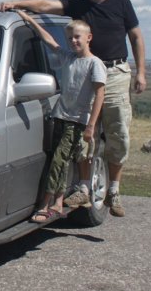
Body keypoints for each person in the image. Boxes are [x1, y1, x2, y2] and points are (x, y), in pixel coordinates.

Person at [0, 0, 146, 217]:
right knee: (86, 134)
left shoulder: (122, 3)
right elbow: (45, 5)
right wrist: (15, 3)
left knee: (117, 132)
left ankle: (114, 190)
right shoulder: (78, 5)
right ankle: (84, 187)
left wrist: (141, 72)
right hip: (85, 73)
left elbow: (136, 37)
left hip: (115, 72)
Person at [18, 12, 106, 223]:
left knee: (58, 160)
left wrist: (90, 126)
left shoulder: (95, 64)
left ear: (88, 38)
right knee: (62, 161)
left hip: (77, 121)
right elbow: (49, 40)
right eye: (70, 38)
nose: (73, 41)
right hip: (59, 116)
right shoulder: (68, 58)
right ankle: (58, 202)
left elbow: (100, 95)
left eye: (77, 37)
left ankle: (45, 205)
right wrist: (29, 20)